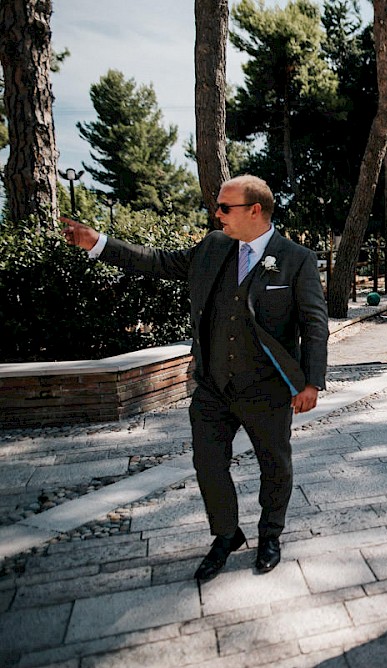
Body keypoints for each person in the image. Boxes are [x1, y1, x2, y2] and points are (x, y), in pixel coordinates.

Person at [62, 175, 328, 581]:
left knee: (275, 465)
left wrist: (310, 383)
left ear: (254, 210)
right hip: (213, 385)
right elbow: (156, 260)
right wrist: (98, 243)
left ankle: (270, 534)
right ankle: (225, 535)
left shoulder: (296, 259)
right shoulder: (212, 247)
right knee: (207, 463)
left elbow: (314, 324)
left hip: (268, 388)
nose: (216, 214)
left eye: (225, 207)